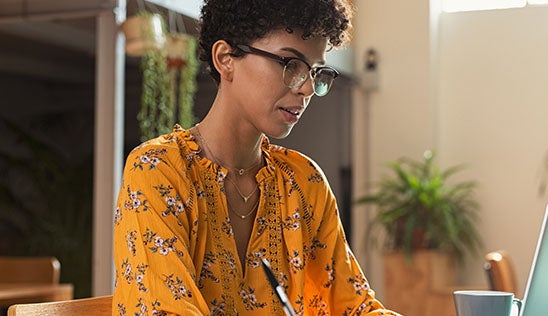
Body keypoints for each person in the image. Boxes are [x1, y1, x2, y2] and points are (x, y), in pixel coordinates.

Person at [112, 0, 400, 315]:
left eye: (315, 72)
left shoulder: (304, 182)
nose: (306, 87)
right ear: (226, 59)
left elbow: (356, 307)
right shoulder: (159, 170)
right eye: (291, 63)